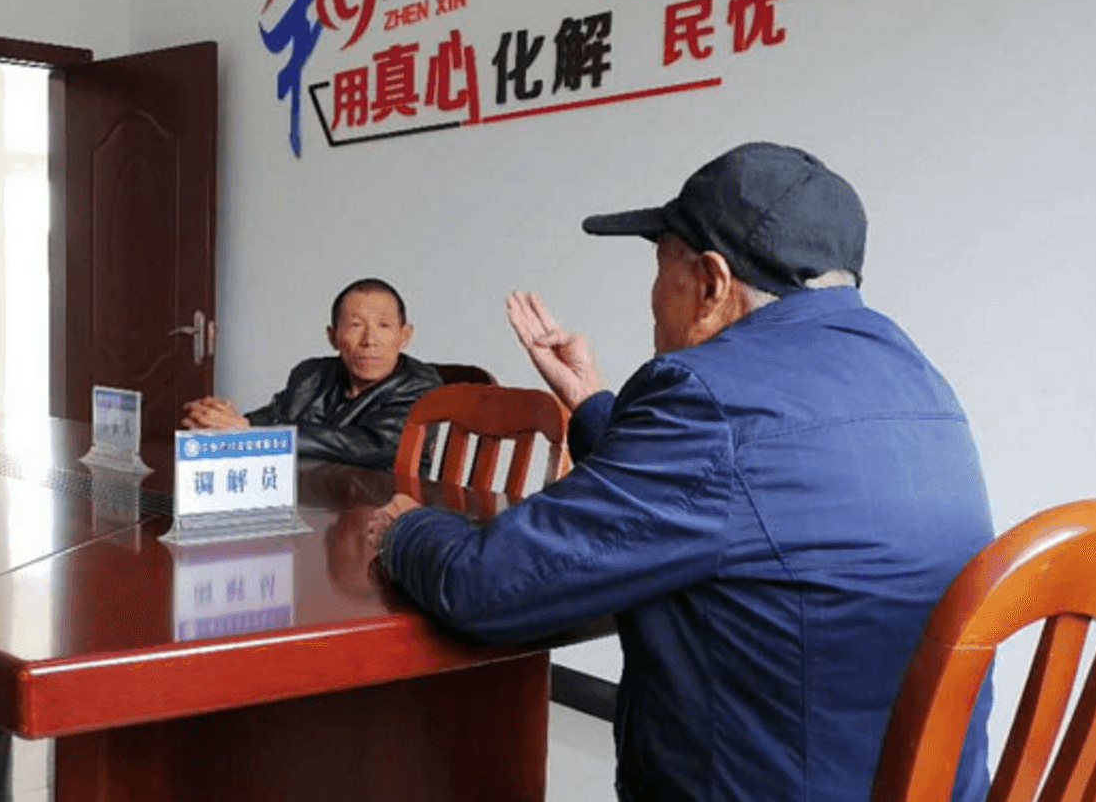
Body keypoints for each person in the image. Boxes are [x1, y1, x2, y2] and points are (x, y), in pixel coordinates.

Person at [368, 143, 994, 802]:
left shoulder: (708, 397)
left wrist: (406, 529)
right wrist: (591, 401)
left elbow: (489, 586)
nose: (652, 295)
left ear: (712, 283)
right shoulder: (916, 377)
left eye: (660, 265)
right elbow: (731, 493)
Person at [181, 277, 441, 470]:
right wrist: (223, 422)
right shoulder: (311, 375)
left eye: (384, 326)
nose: (369, 340)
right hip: (311, 501)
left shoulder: (422, 386)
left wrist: (249, 431)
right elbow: (271, 418)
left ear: (404, 336)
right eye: (355, 325)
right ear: (333, 336)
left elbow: (369, 445)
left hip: (384, 509)